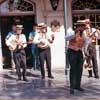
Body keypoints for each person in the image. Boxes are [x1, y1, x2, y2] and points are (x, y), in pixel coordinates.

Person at [67, 20, 85, 94]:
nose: (83, 28)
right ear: (78, 26)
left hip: (79, 52)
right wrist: (74, 33)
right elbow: (66, 38)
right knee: (73, 69)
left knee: (80, 69)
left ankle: (78, 85)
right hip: (72, 51)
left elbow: (85, 42)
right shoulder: (71, 31)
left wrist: (85, 52)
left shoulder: (83, 34)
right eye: (82, 26)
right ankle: (72, 86)